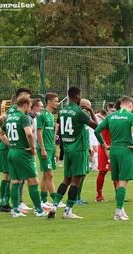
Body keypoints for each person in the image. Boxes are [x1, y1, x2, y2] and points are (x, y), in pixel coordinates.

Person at [48, 87, 97, 219]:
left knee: (66, 179)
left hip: (68, 149)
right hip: (79, 149)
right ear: (78, 96)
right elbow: (96, 126)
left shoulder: (62, 111)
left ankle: (54, 205)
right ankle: (68, 211)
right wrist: (91, 111)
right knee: (76, 181)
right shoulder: (79, 112)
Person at [0, 97, 47, 217]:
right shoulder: (24, 117)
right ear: (25, 105)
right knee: (33, 180)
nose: (29, 109)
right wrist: (33, 148)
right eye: (29, 106)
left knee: (15, 180)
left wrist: (11, 144)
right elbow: (29, 133)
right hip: (23, 153)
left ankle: (15, 210)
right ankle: (39, 210)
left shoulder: (10, 118)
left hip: (12, 152)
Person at [94, 96, 133, 220]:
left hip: (113, 150)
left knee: (118, 180)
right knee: (123, 182)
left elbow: (96, 131)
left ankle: (122, 210)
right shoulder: (131, 116)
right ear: (130, 106)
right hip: (125, 150)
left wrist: (104, 144)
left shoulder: (110, 116)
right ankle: (118, 212)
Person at [0, 88, 32, 213]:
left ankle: (6, 202)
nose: (29, 99)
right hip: (8, 146)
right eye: (27, 96)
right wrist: (10, 137)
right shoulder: (15, 109)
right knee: (9, 175)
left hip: (7, 146)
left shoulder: (15, 110)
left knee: (9, 175)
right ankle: (5, 203)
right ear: (20, 97)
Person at [37, 93, 59, 209]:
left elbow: (52, 135)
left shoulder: (51, 116)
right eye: (55, 101)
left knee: (46, 175)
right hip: (44, 149)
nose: (57, 103)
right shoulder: (42, 116)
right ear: (49, 101)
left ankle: (43, 200)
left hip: (51, 148)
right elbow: (39, 133)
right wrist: (43, 149)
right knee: (50, 174)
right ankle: (56, 199)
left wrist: (55, 150)